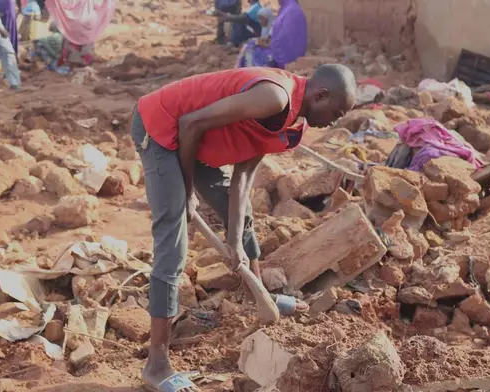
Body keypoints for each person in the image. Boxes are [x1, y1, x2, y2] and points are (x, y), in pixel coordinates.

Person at [132, 64, 357, 392]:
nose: (335, 121)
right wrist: (187, 188)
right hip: (163, 128)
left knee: (239, 211)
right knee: (173, 239)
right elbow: (189, 121)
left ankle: (259, 295)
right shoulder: (274, 96)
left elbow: (243, 178)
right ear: (320, 95)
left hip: (194, 141)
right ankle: (156, 364)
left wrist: (235, 240)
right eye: (336, 113)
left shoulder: (290, 126)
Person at [236, 0, 307, 69]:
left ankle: (250, 73)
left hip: (284, 56)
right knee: (252, 42)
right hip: (281, 49)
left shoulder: (291, 11)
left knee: (250, 48)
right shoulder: (287, 9)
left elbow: (285, 40)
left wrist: (269, 44)